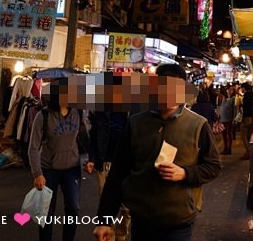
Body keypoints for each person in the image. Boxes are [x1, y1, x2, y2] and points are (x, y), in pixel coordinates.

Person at [93, 63, 221, 241]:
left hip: (178, 220)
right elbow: (118, 172)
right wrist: (105, 219)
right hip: (141, 219)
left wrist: (185, 173)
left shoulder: (198, 125)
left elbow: (213, 166)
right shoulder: (136, 122)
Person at [28, 89, 93, 241]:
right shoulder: (43, 116)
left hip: (71, 168)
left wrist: (91, 158)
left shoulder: (78, 112)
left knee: (73, 208)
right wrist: (37, 173)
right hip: (48, 169)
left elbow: (85, 137)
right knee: (46, 212)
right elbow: (33, 147)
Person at [85, 110, 131, 241]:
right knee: (106, 202)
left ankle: (121, 235)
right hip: (105, 160)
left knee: (127, 208)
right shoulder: (100, 110)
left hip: (126, 163)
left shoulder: (134, 111)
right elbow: (93, 135)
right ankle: (108, 234)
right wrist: (92, 159)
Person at [217, 87, 235, 155]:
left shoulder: (233, 99)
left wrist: (233, 119)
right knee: (224, 134)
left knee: (229, 134)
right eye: (228, 90)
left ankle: (229, 148)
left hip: (229, 119)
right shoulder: (224, 99)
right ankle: (225, 148)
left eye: (231, 90)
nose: (229, 91)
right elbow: (220, 108)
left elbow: (234, 110)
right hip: (223, 119)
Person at [240, 83, 253, 160]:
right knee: (249, 136)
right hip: (251, 117)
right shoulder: (252, 94)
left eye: (241, 88)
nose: (241, 90)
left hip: (246, 117)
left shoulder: (246, 95)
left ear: (244, 88)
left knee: (243, 136)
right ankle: (249, 152)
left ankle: (248, 152)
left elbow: (245, 108)